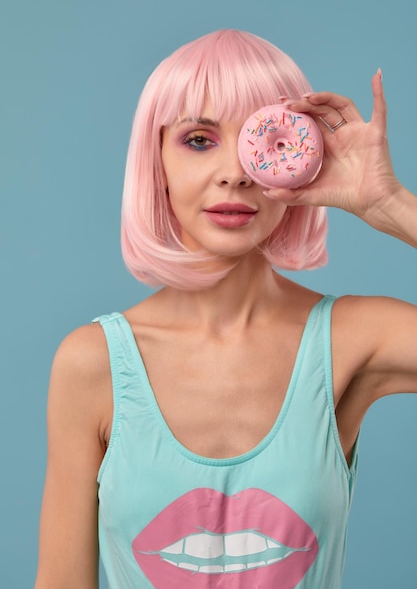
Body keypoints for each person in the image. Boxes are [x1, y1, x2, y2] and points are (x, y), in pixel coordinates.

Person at [34, 30, 417, 589]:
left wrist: (391, 204)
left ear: (302, 159)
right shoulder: (92, 363)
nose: (235, 172)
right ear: (156, 162)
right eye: (198, 139)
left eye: (261, 141)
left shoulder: (355, 340)